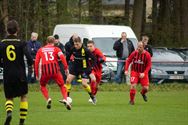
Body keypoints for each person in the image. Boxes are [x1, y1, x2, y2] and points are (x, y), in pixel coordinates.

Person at [0, 20, 33, 125]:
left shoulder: (2, 43)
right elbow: (29, 57)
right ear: (17, 29)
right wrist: (30, 64)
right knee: (23, 96)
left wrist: (3, 65)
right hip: (20, 74)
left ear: (7, 30)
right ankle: (21, 122)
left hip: (8, 74)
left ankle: (9, 113)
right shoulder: (22, 42)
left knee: (9, 97)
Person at [35, 36, 71, 110]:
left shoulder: (40, 50)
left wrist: (37, 74)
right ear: (54, 42)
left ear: (46, 42)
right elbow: (63, 58)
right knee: (62, 85)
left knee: (42, 85)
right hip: (55, 70)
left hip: (45, 71)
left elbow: (36, 62)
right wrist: (66, 68)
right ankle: (65, 98)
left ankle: (48, 98)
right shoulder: (56, 49)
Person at [64, 36, 97, 104]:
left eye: (77, 44)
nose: (75, 46)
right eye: (74, 44)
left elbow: (94, 59)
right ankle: (67, 98)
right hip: (75, 68)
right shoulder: (73, 48)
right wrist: (66, 66)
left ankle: (92, 96)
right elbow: (67, 57)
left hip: (84, 69)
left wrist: (91, 67)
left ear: (81, 43)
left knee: (84, 84)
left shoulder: (85, 50)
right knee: (67, 80)